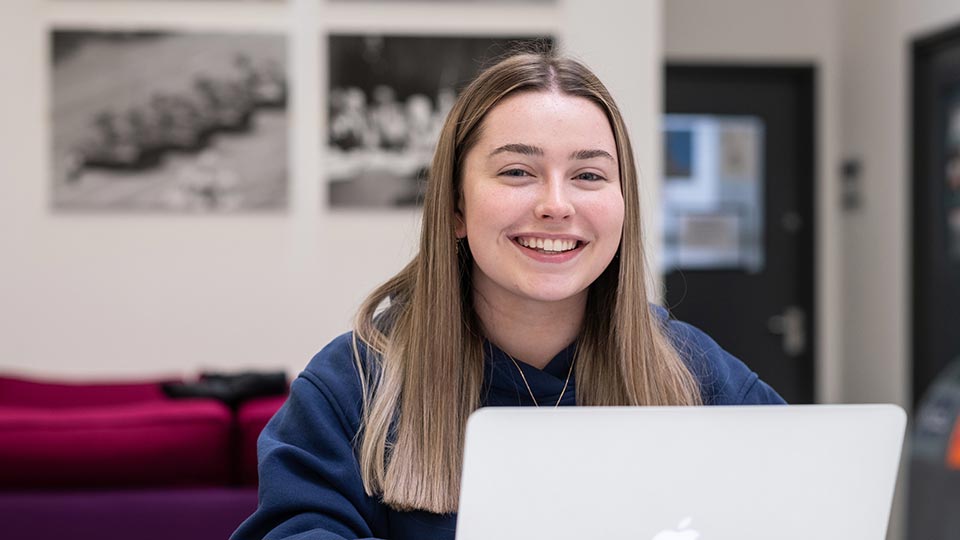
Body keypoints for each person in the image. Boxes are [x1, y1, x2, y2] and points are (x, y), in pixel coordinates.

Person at [231, 51, 784, 540]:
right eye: (518, 171)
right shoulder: (351, 385)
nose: (556, 204)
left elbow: (801, 501)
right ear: (454, 208)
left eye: (589, 175)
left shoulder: (691, 371)